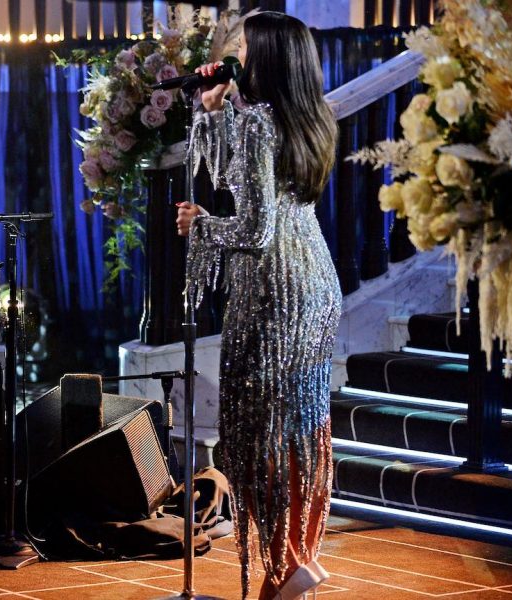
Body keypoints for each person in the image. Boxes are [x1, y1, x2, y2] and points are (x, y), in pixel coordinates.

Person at [176, 12, 341, 600]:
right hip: (315, 284)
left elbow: (253, 227)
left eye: (241, 44)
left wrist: (202, 225)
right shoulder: (308, 118)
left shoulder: (258, 126)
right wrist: (213, 109)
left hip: (272, 290)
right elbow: (244, 179)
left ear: (265, 55)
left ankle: (282, 571)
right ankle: (298, 558)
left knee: (256, 433)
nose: (231, 51)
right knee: (298, 428)